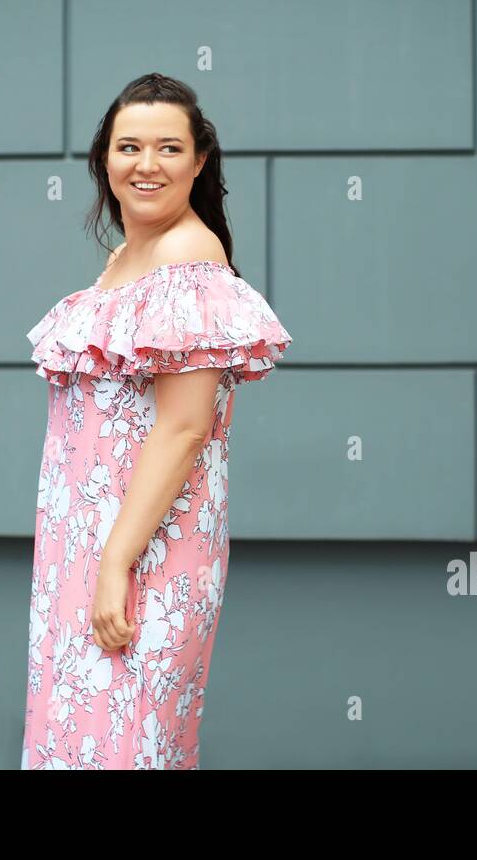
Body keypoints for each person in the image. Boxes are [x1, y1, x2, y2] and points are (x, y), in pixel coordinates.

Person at [20, 72, 292, 769]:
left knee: (126, 746)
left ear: (200, 161)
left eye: (169, 148)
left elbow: (184, 427)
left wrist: (115, 562)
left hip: (144, 553)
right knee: (79, 741)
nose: (146, 164)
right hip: (85, 551)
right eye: (128, 146)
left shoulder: (187, 255)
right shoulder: (123, 258)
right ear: (103, 158)